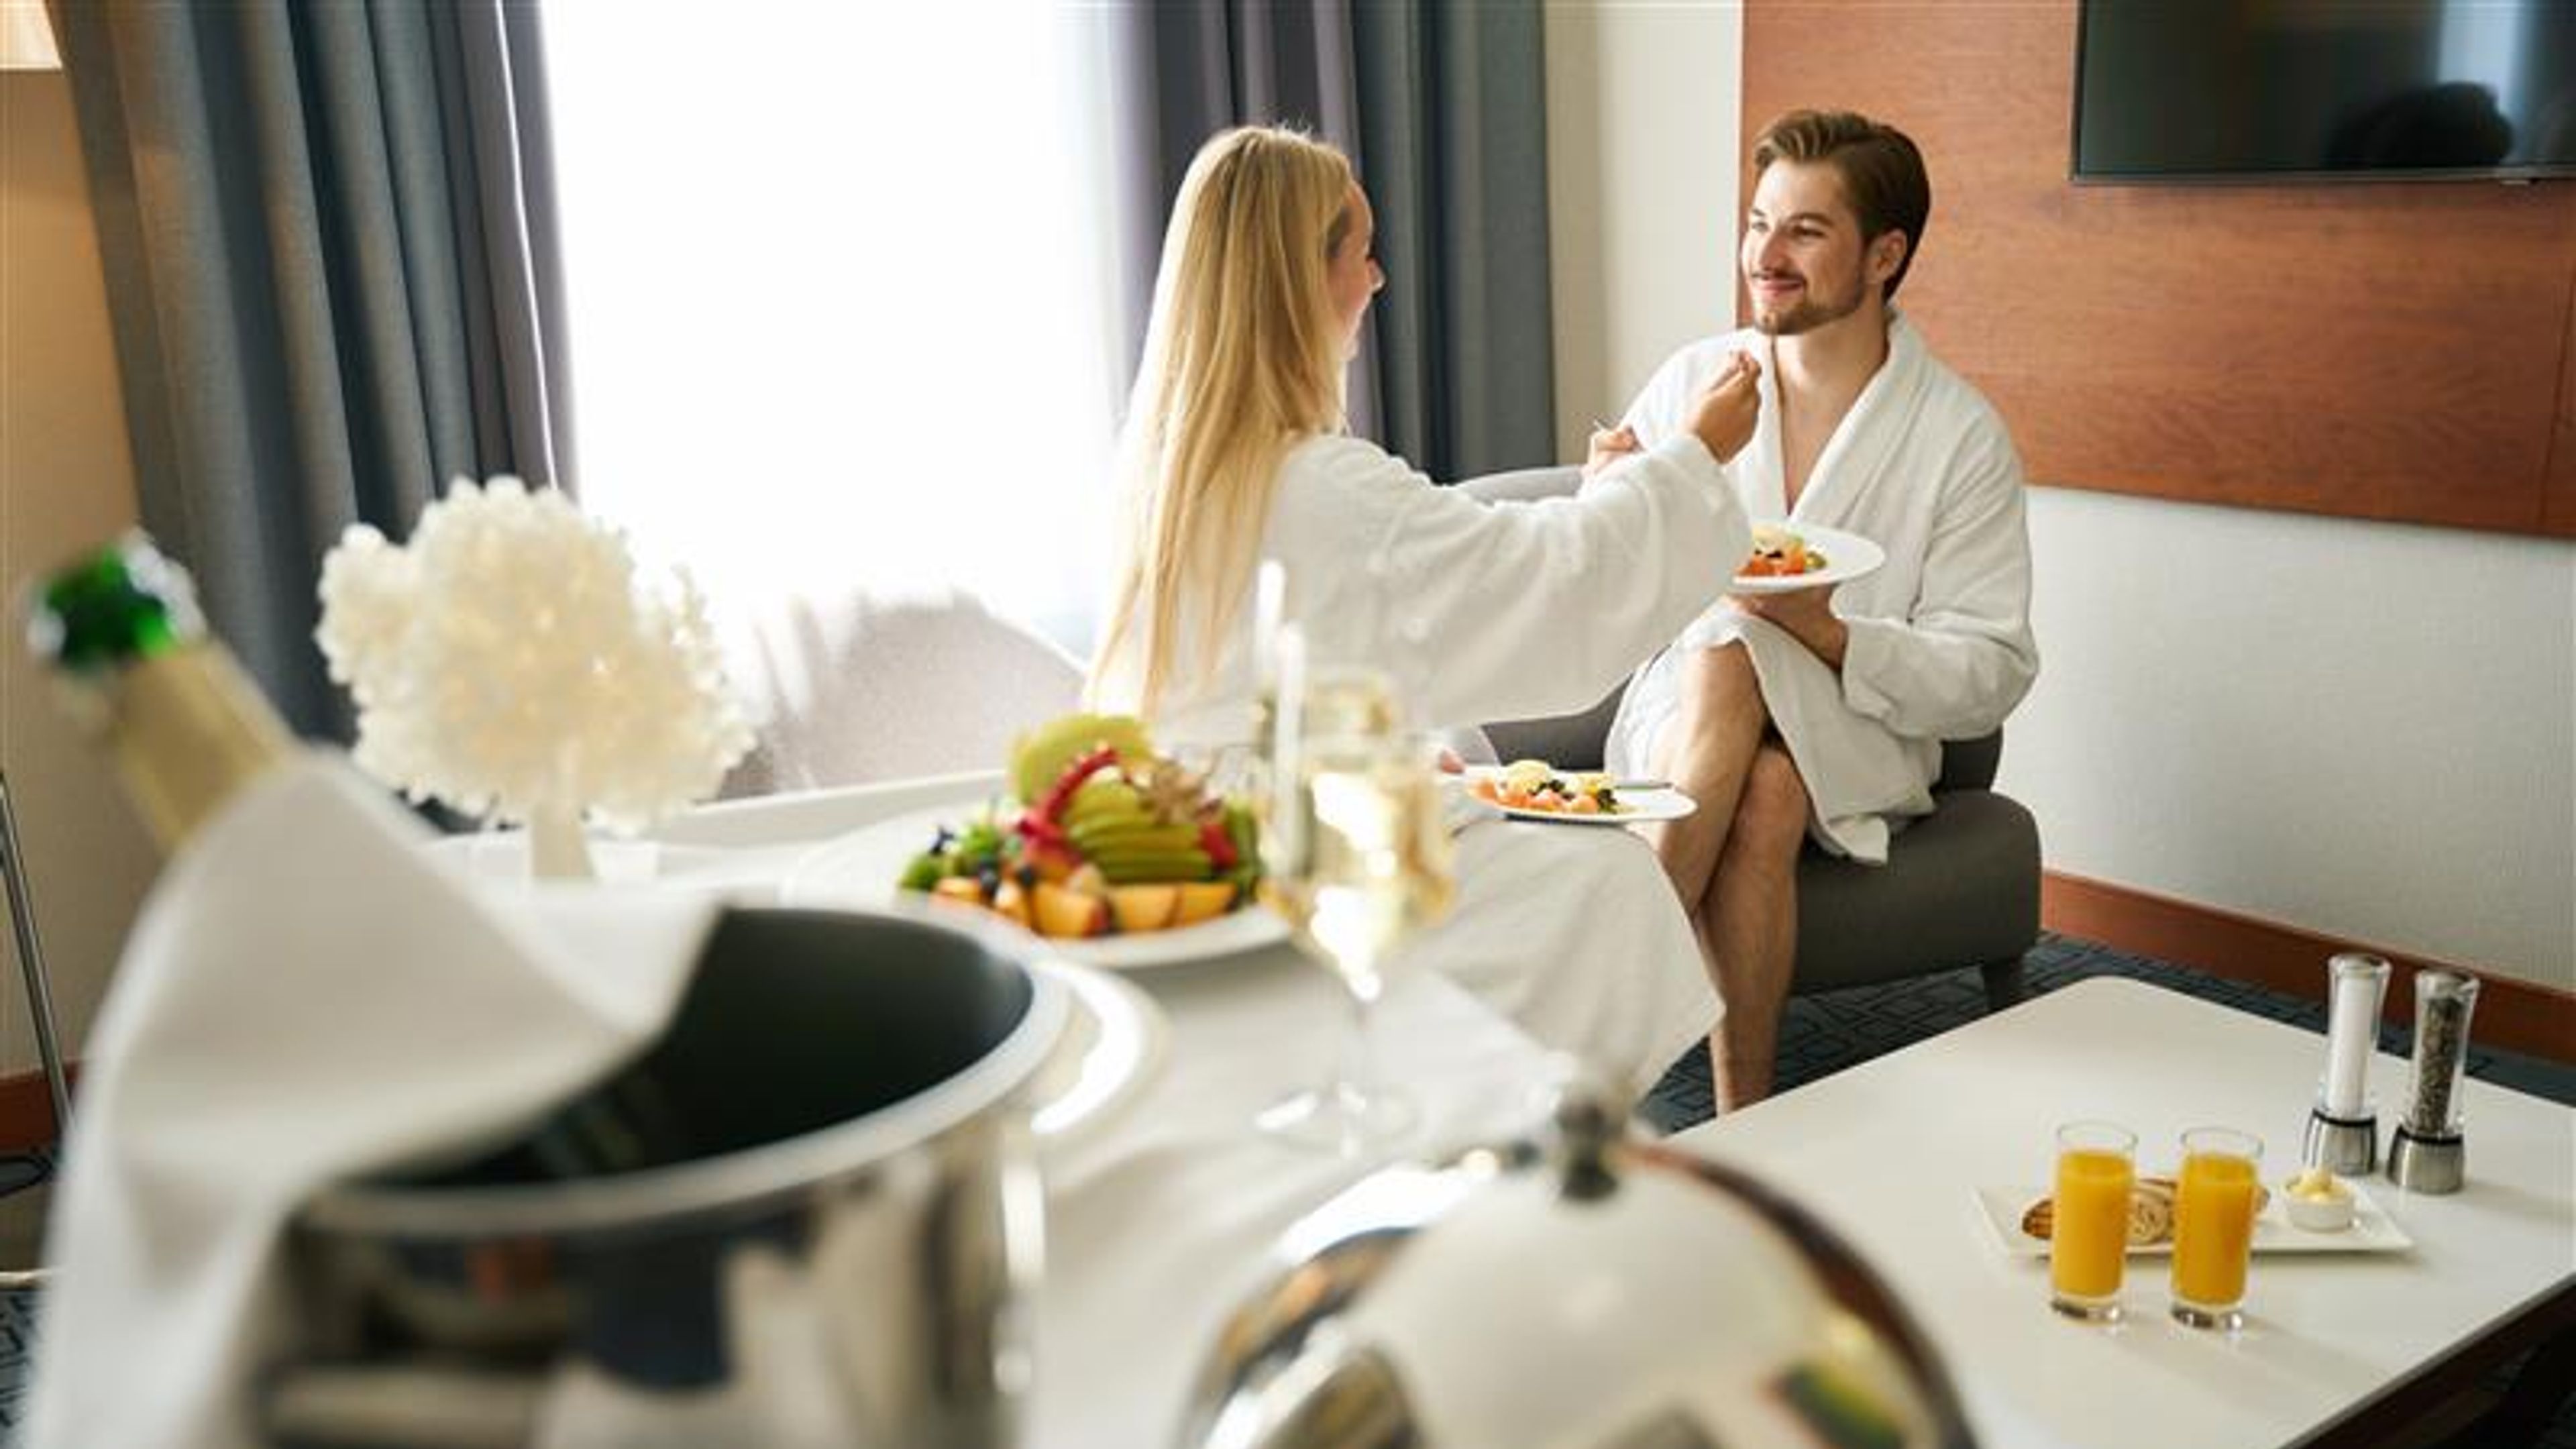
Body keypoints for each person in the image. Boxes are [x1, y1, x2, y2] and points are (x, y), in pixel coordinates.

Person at [1086, 125, 1760, 1091]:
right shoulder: (1324, 487)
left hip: (1173, 825)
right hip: (1275, 850)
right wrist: (1692, 457)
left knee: (1494, 806)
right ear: (1304, 279)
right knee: (1608, 886)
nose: (1380, 281)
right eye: (1362, 254)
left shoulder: (1162, 469)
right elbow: (1549, 582)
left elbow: (1279, 666)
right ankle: (1503, 1118)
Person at [1587, 109, 2039, 1111]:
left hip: (1864, 733)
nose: (1766, 257)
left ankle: (1602, 1009)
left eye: (1804, 231)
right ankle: (1746, 1121)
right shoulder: (1696, 381)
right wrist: (1615, 502)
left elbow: (1993, 670)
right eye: (1758, 224)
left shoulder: (1960, 435)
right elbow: (1607, 584)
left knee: (1740, 650)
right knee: (1765, 785)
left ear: (1885, 255)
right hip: (1682, 727)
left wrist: (1828, 632)